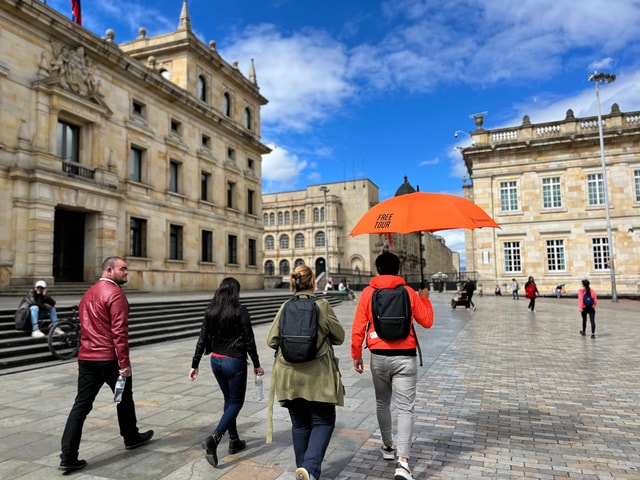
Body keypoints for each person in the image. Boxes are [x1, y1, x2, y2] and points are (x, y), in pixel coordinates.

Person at [59, 256, 154, 473]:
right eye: (123, 269)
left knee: (81, 406)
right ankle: (131, 437)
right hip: (109, 359)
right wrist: (124, 363)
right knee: (123, 398)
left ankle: (68, 456)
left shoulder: (88, 293)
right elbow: (119, 332)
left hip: (87, 358)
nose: (126, 273)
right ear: (109, 270)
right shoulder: (115, 294)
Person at [351, 252, 434, 480]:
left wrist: (356, 354)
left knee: (382, 402)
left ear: (377, 269)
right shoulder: (408, 292)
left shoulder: (368, 293)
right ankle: (403, 463)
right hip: (405, 356)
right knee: (406, 408)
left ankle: (388, 447)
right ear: (399, 270)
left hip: (378, 355)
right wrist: (424, 297)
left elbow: (358, 327)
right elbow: (426, 321)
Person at [266, 265, 345, 480]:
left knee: (299, 425)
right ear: (313, 283)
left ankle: (304, 471)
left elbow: (271, 340)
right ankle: (309, 469)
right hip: (318, 377)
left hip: (289, 378)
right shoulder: (322, 305)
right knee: (323, 421)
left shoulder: (285, 306)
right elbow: (339, 336)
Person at [189, 277, 264, 468]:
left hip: (216, 360)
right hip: (234, 361)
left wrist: (195, 364)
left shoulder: (211, 310)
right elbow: (249, 339)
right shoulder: (240, 310)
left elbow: (202, 337)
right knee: (236, 403)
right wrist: (256, 363)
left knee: (228, 401)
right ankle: (214, 438)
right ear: (235, 293)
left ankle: (234, 440)